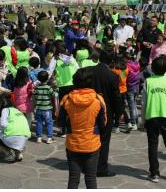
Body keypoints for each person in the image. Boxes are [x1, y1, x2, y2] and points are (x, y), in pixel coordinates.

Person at [58, 68, 107, 189]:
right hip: (92, 144)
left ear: (75, 82)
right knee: (91, 179)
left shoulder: (67, 99)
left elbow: (60, 122)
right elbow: (103, 124)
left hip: (73, 144)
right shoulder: (98, 100)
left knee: (73, 179)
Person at [141, 56, 166, 183]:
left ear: (152, 69)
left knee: (152, 145)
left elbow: (144, 102)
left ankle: (154, 174)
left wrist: (143, 120)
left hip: (151, 116)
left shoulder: (148, 82)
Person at [86, 49, 121, 177]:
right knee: (104, 140)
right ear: (112, 61)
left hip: (90, 109)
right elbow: (116, 97)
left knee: (91, 137)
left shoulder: (90, 71)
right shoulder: (112, 75)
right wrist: (119, 113)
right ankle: (101, 167)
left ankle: (89, 165)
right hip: (107, 111)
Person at [0, 94, 30, 162]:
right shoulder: (18, 111)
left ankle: (8, 155)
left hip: (12, 136)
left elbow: (3, 125)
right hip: (24, 137)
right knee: (13, 139)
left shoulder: (5, 110)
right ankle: (18, 153)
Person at [33, 71, 57, 144]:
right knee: (49, 123)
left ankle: (39, 138)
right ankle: (49, 138)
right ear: (47, 79)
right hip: (47, 109)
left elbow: (35, 97)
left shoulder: (37, 88)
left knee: (39, 123)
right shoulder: (49, 88)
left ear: (38, 79)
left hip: (39, 108)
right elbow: (54, 95)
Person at [125, 49, 140, 131]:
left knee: (131, 106)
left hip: (130, 87)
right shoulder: (137, 64)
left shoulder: (127, 66)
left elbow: (124, 76)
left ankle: (133, 123)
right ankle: (136, 119)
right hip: (136, 87)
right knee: (134, 103)